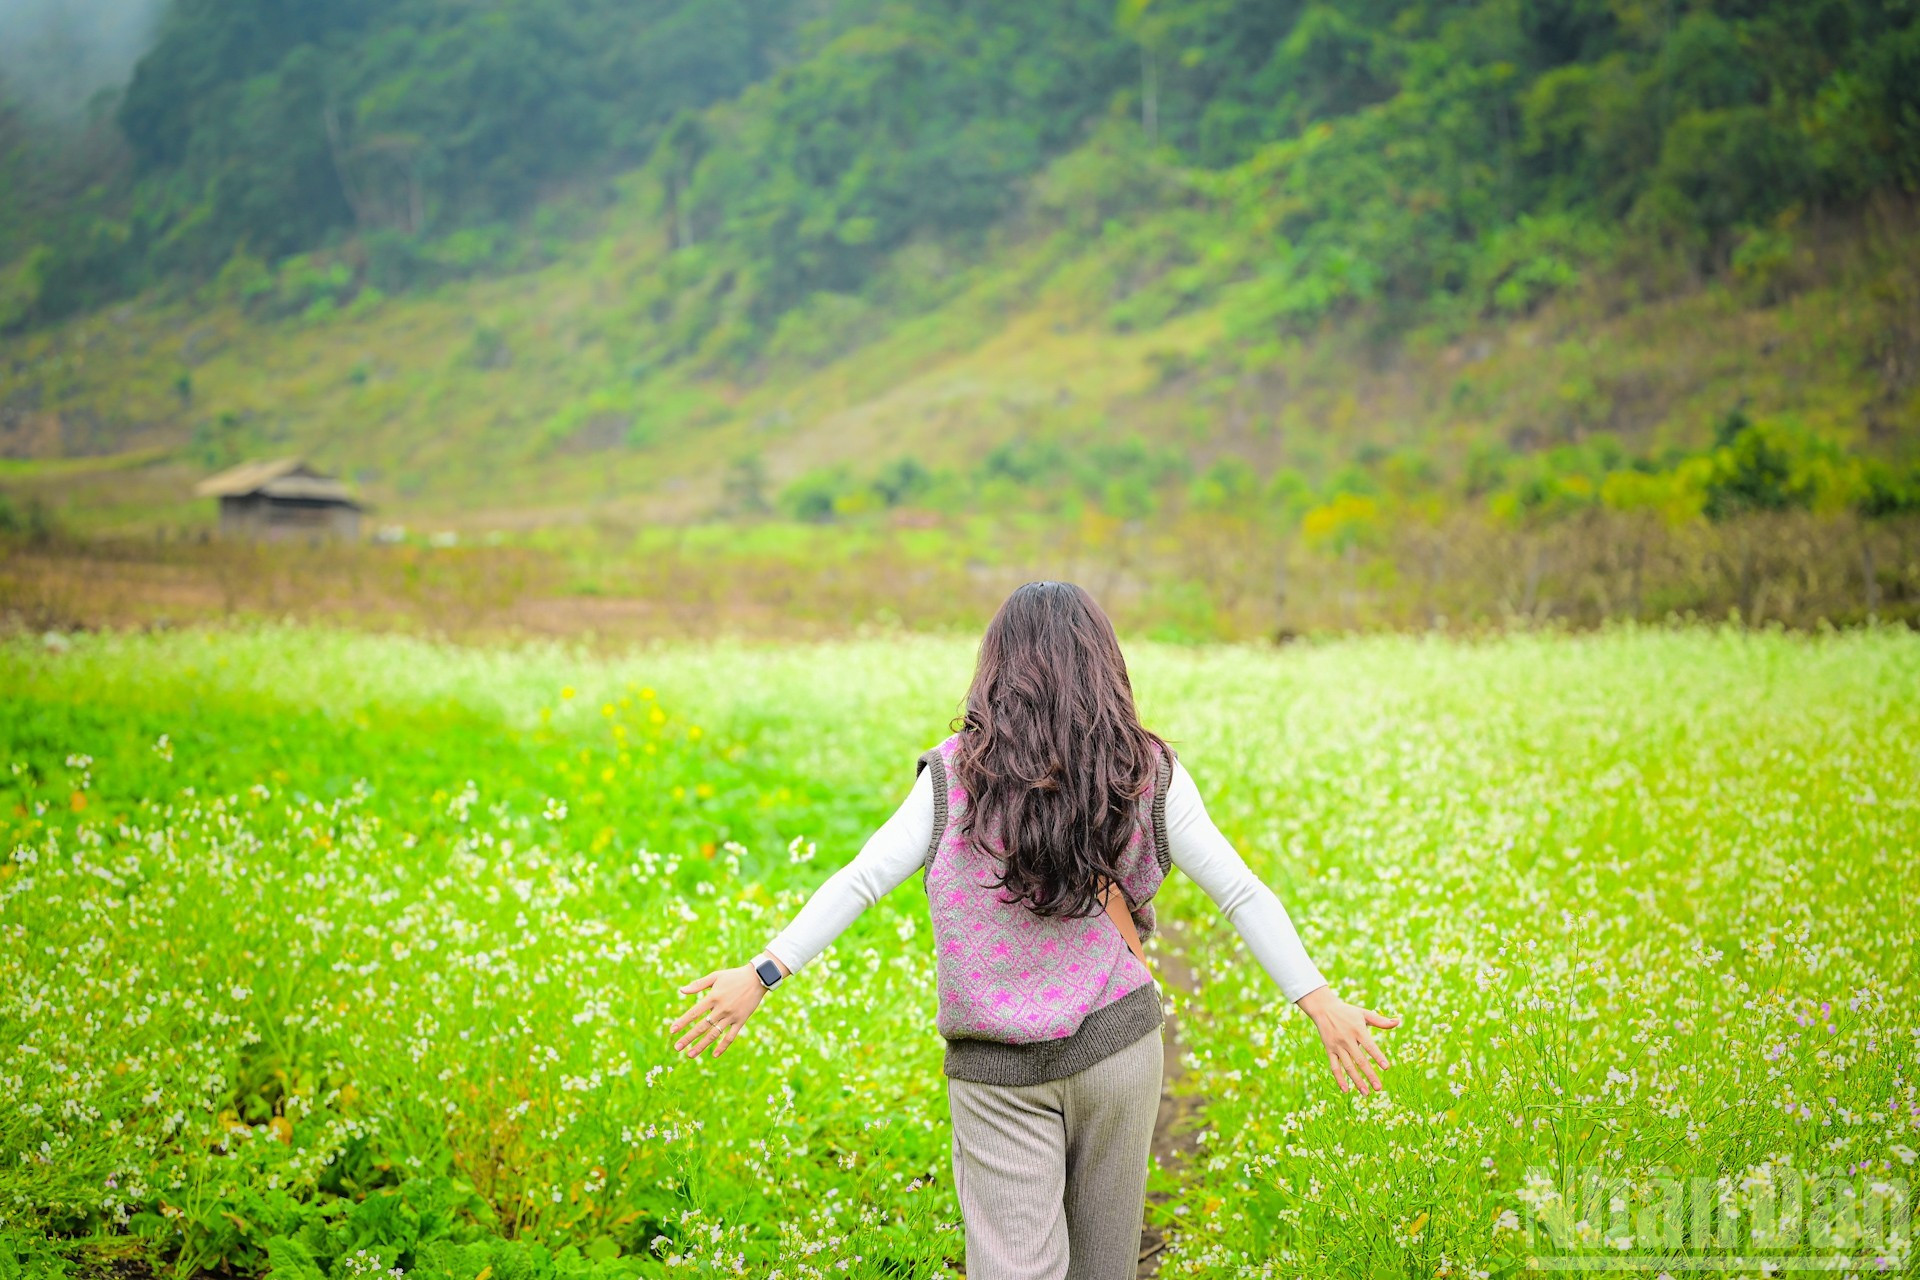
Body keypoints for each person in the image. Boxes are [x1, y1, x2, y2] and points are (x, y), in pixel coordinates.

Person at [670, 581, 1399, 1280]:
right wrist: (1320, 1002)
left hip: (997, 1077)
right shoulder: (1143, 772)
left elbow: (861, 879)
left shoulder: (953, 778)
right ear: (1104, 665)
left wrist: (763, 973)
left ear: (996, 670)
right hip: (1118, 1051)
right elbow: (1240, 891)